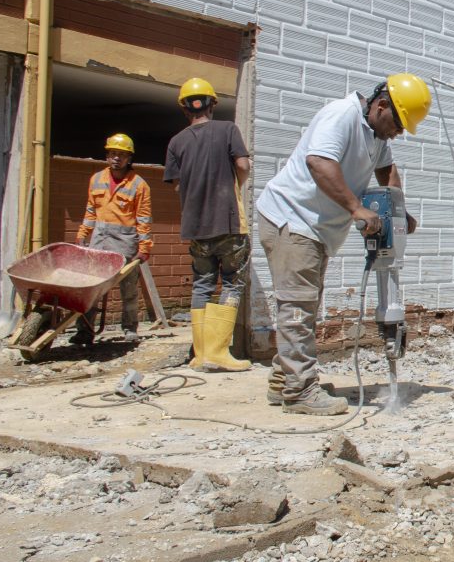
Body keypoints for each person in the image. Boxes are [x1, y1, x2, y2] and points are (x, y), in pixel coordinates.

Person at [255, 74, 430, 416]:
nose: (399, 133)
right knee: (297, 308)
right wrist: (355, 207)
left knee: (303, 307)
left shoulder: (376, 135)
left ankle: (284, 382)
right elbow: (319, 162)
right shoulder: (341, 114)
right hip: (291, 219)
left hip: (314, 228)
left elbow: (388, 172)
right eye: (398, 124)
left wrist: (398, 210)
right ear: (382, 106)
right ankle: (300, 392)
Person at [164, 76, 252, 373]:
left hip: (196, 226)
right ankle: (218, 352)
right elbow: (242, 165)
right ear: (212, 104)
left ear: (185, 109)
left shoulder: (176, 142)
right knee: (231, 282)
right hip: (227, 223)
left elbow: (177, 184)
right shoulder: (227, 129)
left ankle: (201, 354)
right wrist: (234, 187)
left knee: (202, 284)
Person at [73, 133, 152, 344]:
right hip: (99, 241)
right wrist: (82, 235)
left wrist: (144, 247)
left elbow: (143, 219)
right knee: (92, 287)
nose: (117, 158)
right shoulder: (96, 179)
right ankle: (85, 330)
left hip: (126, 243)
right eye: (113, 153)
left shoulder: (139, 184)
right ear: (107, 156)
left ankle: (130, 329)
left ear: (129, 158)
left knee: (128, 289)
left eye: (122, 155)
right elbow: (90, 211)